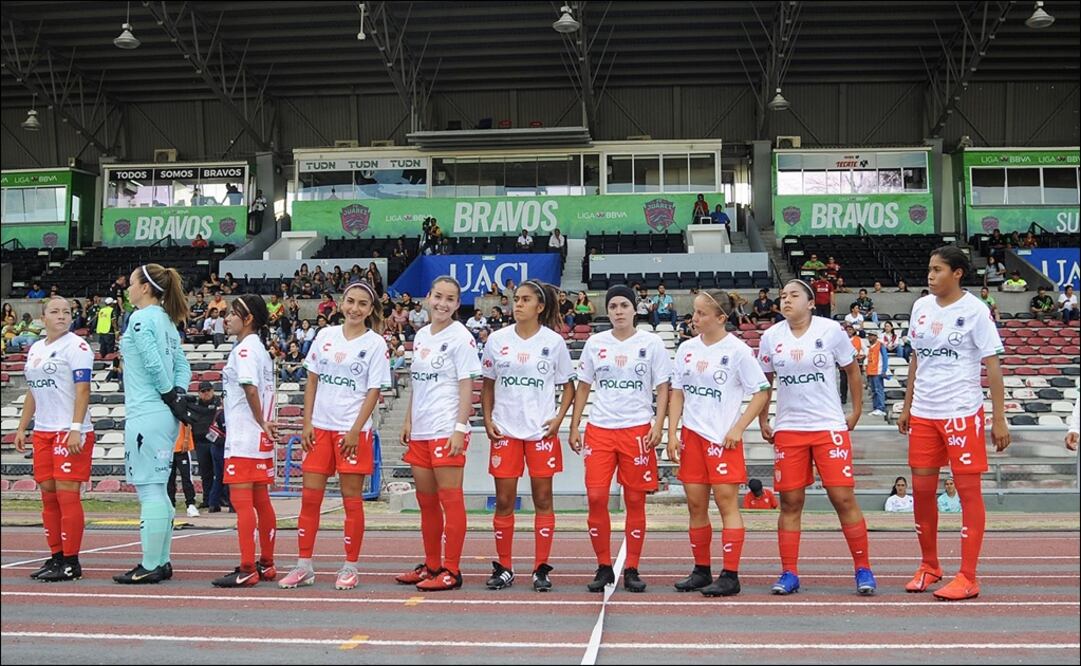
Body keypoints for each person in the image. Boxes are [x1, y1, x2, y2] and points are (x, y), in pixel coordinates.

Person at [898, 246, 1009, 601]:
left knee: (968, 492)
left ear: (957, 273)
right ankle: (929, 564)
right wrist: (906, 404)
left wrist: (999, 417)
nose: (930, 276)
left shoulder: (975, 311)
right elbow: (917, 357)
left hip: (961, 412)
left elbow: (992, 366)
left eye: (937, 270)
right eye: (929, 270)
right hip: (924, 414)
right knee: (922, 491)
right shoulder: (920, 307)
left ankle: (968, 576)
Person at [757, 279, 876, 596]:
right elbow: (764, 382)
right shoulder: (771, 337)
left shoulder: (830, 331)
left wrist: (855, 410)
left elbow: (852, 370)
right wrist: (763, 418)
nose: (786, 300)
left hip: (828, 426)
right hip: (789, 428)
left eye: (794, 295)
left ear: (811, 303)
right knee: (790, 503)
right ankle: (789, 573)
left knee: (843, 498)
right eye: (782, 296)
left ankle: (863, 569)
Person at [278, 282, 391, 591]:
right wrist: (307, 422)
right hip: (320, 429)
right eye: (351, 301)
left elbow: (374, 391)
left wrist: (355, 429)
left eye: (362, 304)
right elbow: (312, 381)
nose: (355, 308)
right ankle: (304, 566)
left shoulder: (376, 343)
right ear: (342, 303)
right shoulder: (325, 336)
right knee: (309, 499)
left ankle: (349, 567)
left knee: (351, 501)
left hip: (351, 432)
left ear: (370, 309)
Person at [568, 285, 673, 594]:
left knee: (635, 500)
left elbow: (664, 387)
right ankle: (603, 566)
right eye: (613, 305)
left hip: (637, 429)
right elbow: (584, 387)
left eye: (624, 305)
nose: (618, 311)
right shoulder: (595, 343)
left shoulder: (651, 343)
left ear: (634, 309)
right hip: (600, 430)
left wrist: (659, 424)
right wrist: (575, 426)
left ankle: (631, 568)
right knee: (597, 497)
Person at [668, 289, 770, 597]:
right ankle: (701, 570)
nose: (695, 318)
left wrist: (738, 428)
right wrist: (672, 432)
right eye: (694, 312)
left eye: (701, 313)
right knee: (696, 506)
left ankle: (730, 574)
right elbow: (677, 391)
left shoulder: (738, 350)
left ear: (721, 318)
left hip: (722, 439)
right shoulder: (686, 348)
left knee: (727, 504)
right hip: (693, 437)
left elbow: (761, 391)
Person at [481, 280, 576, 593]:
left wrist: (558, 418)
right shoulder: (496, 340)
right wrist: (487, 418)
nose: (517, 304)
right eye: (515, 299)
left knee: (543, 499)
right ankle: (505, 566)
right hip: (506, 430)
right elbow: (488, 384)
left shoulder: (554, 342)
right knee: (505, 501)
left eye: (524, 300)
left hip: (540, 432)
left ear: (540, 306)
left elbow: (569, 386)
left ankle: (540, 569)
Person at [396, 276, 482, 591]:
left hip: (446, 428)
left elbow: (466, 385)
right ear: (428, 297)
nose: (442, 304)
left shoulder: (461, 337)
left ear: (458, 304)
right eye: (437, 297)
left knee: (450, 499)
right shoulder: (420, 335)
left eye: (450, 299)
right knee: (426, 502)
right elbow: (418, 383)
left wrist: (460, 429)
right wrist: (407, 419)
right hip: (420, 430)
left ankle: (452, 570)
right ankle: (432, 565)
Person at [113, 264, 193, 585]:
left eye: (131, 284)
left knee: (150, 491)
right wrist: (178, 395)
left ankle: (150, 564)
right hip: (164, 415)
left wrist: (167, 394)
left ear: (145, 287)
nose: (128, 289)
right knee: (159, 489)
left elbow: (151, 360)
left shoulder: (141, 318)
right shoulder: (167, 322)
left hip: (147, 412)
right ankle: (161, 561)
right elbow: (182, 365)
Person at [14, 297, 96, 582]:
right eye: (55, 311)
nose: (61, 316)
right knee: (48, 494)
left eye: (67, 312)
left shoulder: (77, 347)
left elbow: (83, 390)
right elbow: (32, 390)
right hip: (43, 431)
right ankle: (56, 556)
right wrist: (23, 427)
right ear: (43, 316)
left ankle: (72, 561)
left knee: (66, 493)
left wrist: (76, 427)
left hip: (69, 430)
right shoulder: (36, 348)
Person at [211, 295, 279, 588]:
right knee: (261, 500)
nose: (225, 318)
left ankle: (248, 567)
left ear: (248, 318)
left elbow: (249, 387)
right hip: (260, 437)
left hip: (244, 435)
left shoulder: (244, 350)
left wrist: (259, 420)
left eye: (231, 314)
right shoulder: (260, 349)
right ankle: (267, 563)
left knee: (242, 503)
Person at [192, 381, 222, 511]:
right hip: (200, 442)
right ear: (199, 393)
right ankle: (207, 499)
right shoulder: (196, 403)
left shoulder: (218, 402)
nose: (206, 393)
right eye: (203, 391)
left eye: (208, 390)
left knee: (219, 472)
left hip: (215, 442)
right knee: (206, 473)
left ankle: (221, 499)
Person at [167, 422, 199, 518]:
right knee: (169, 478)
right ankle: (170, 505)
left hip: (182, 448)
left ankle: (190, 504)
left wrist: (186, 440)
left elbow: (188, 423)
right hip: (168, 448)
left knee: (186, 477)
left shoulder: (181, 408)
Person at [865, 331, 887, 417]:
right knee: (874, 391)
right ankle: (875, 407)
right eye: (869, 336)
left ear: (876, 337)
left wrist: (884, 370)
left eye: (871, 336)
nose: (869, 337)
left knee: (878, 390)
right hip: (871, 371)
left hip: (878, 371)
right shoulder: (870, 347)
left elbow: (885, 358)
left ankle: (880, 408)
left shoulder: (880, 345)